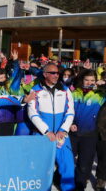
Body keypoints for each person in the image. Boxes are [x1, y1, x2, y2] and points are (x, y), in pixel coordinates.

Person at [28, 63, 75, 191]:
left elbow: (70, 112)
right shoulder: (35, 90)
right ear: (45, 74)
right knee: (41, 168)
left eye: (57, 73)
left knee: (68, 166)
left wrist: (63, 129)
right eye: (53, 73)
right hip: (43, 135)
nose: (56, 75)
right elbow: (32, 113)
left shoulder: (65, 90)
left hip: (61, 135)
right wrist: (46, 131)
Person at [70, 69, 106, 190]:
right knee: (69, 159)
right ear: (82, 80)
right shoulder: (74, 93)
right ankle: (64, 180)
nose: (89, 82)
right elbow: (68, 111)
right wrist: (71, 123)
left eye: (92, 80)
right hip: (73, 133)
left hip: (90, 134)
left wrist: (104, 84)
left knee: (84, 162)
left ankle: (80, 184)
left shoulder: (100, 95)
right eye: (87, 80)